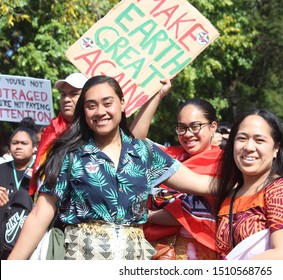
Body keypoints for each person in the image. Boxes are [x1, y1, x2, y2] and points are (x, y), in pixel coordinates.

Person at [8, 75, 214, 260]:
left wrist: (244, 174)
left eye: (107, 103)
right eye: (91, 106)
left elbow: (202, 184)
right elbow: (39, 215)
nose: (100, 112)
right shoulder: (69, 155)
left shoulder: (144, 152)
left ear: (122, 104)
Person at [131, 90, 222, 259]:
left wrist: (147, 215)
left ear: (213, 127)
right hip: (152, 251)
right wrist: (156, 96)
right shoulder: (170, 156)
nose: (188, 134)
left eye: (195, 126)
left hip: (196, 255)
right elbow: (133, 144)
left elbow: (190, 210)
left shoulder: (223, 164)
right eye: (182, 128)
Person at [213, 108, 283, 260]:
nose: (249, 147)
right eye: (242, 138)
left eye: (259, 140)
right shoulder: (229, 194)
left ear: (276, 148)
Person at [29, 73, 88, 197]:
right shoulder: (51, 128)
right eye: (63, 94)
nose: (66, 99)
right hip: (45, 200)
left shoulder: (94, 130)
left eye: (74, 94)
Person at [0, 124, 37, 259]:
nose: (18, 146)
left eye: (24, 143)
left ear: (34, 147)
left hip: (30, 241)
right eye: (15, 143)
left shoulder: (42, 172)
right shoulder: (1, 169)